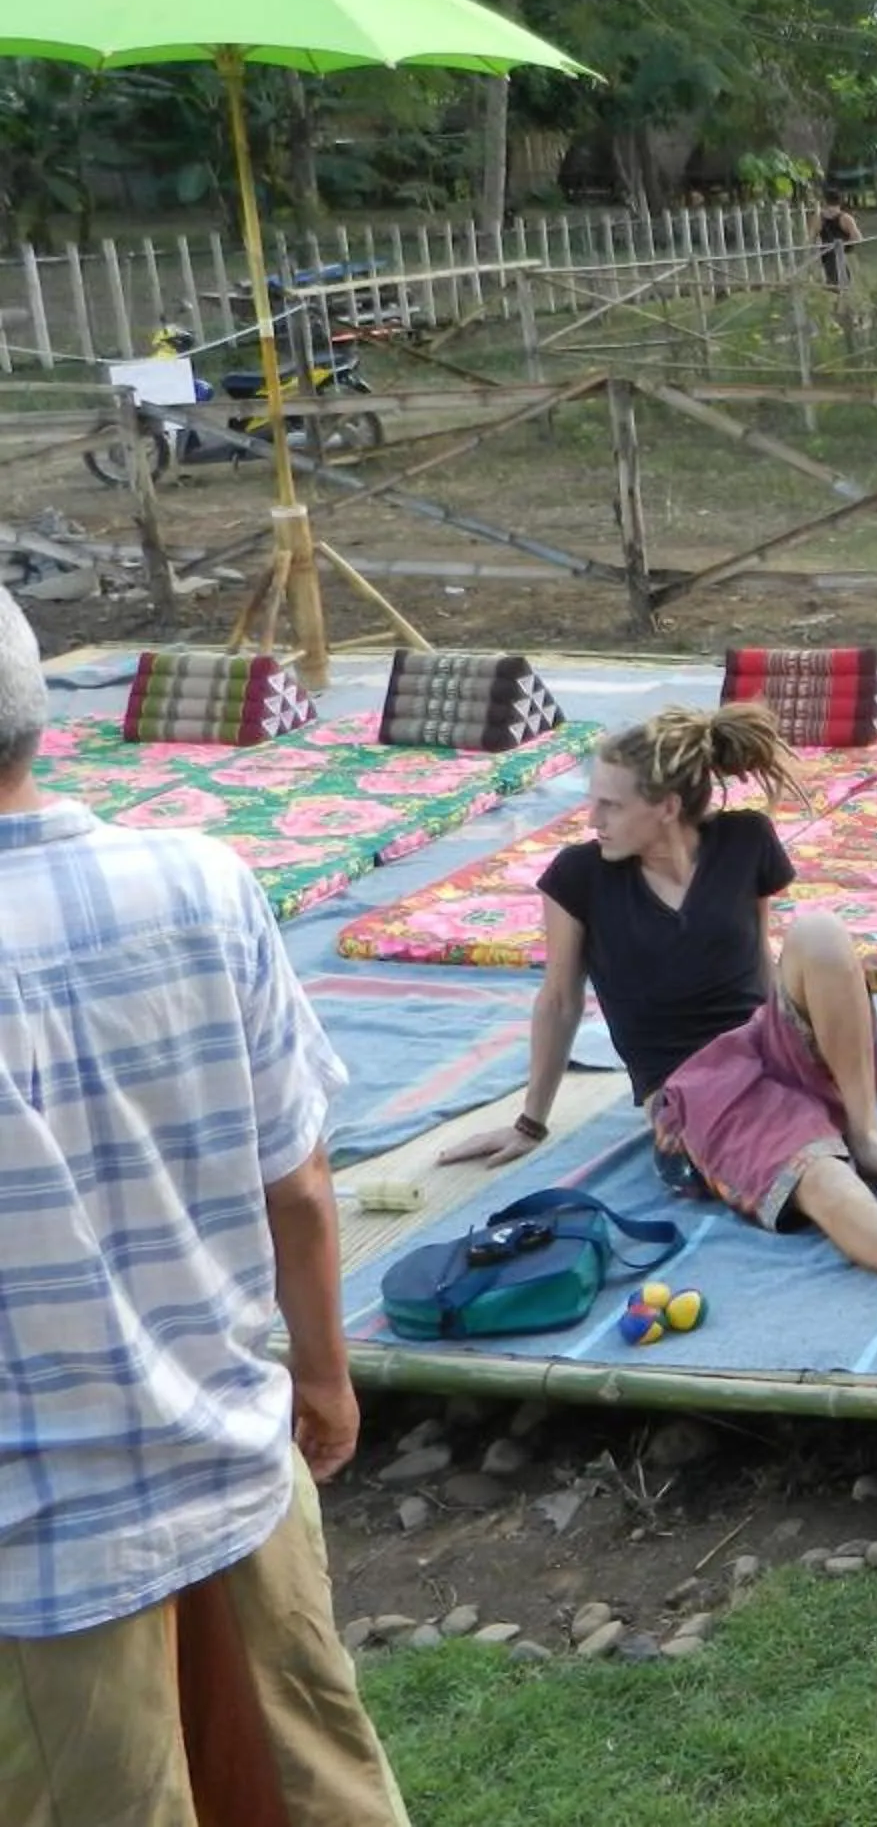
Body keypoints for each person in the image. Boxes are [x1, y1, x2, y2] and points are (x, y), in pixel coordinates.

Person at [0, 592, 407, 1821]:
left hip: (45, 1538)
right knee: (312, 1790)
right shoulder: (200, 879)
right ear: (38, 723)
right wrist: (325, 1377)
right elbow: (301, 1185)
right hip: (237, 1461)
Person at [442, 704, 877, 1318]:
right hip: (697, 1092)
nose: (592, 819)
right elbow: (559, 1001)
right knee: (822, 1181)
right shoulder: (580, 877)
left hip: (765, 1042)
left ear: (665, 807)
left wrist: (795, 1047)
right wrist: (529, 1122)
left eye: (610, 804)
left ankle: (865, 1130)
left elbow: (763, 961)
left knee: (820, 932)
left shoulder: (745, 842)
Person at [816, 191, 862, 290]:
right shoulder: (846, 218)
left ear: (825, 202)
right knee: (848, 287)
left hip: (827, 257)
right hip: (846, 256)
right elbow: (857, 238)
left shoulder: (819, 218)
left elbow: (811, 237)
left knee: (833, 287)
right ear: (840, 202)